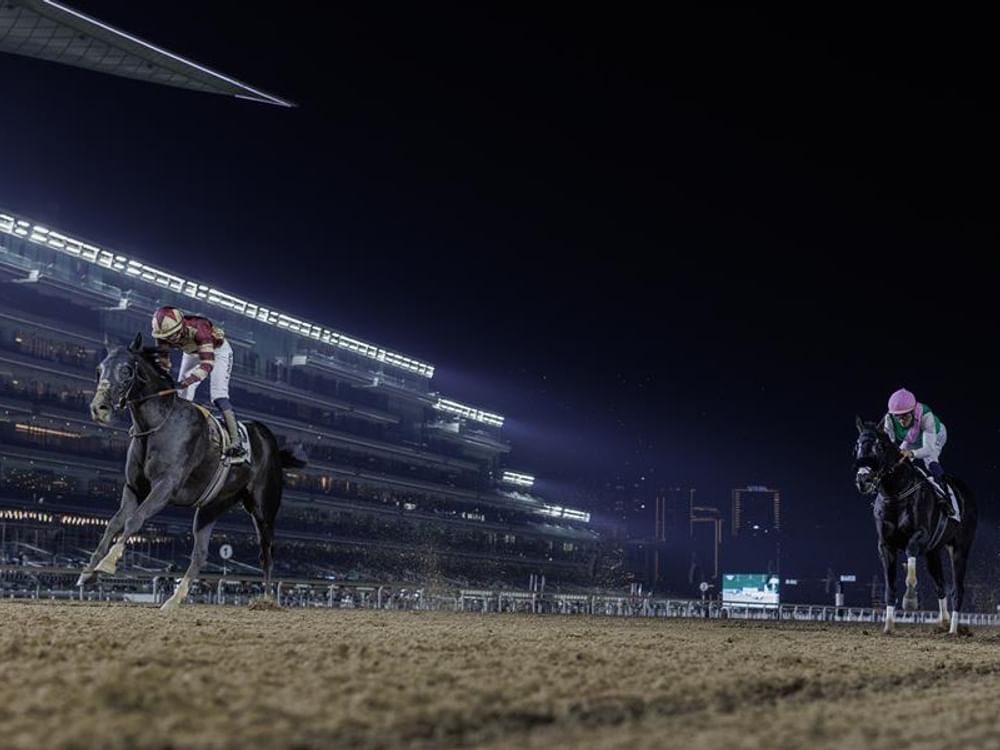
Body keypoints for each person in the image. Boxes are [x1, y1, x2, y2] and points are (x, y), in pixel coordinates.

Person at [151, 305, 245, 458]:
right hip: (192, 352)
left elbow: (207, 364)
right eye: (167, 336)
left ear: (181, 325)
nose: (172, 339)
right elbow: (164, 363)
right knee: (182, 394)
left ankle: (236, 441)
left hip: (217, 351)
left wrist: (188, 380)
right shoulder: (162, 334)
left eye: (174, 334)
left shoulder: (200, 328)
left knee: (218, 395)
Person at [882, 387, 958, 520]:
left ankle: (947, 499)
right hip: (912, 438)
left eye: (905, 415)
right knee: (896, 464)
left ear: (913, 411)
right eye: (898, 416)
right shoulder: (889, 418)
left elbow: (928, 449)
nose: (901, 420)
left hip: (935, 436)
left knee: (931, 462)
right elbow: (889, 445)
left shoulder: (926, 416)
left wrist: (911, 453)